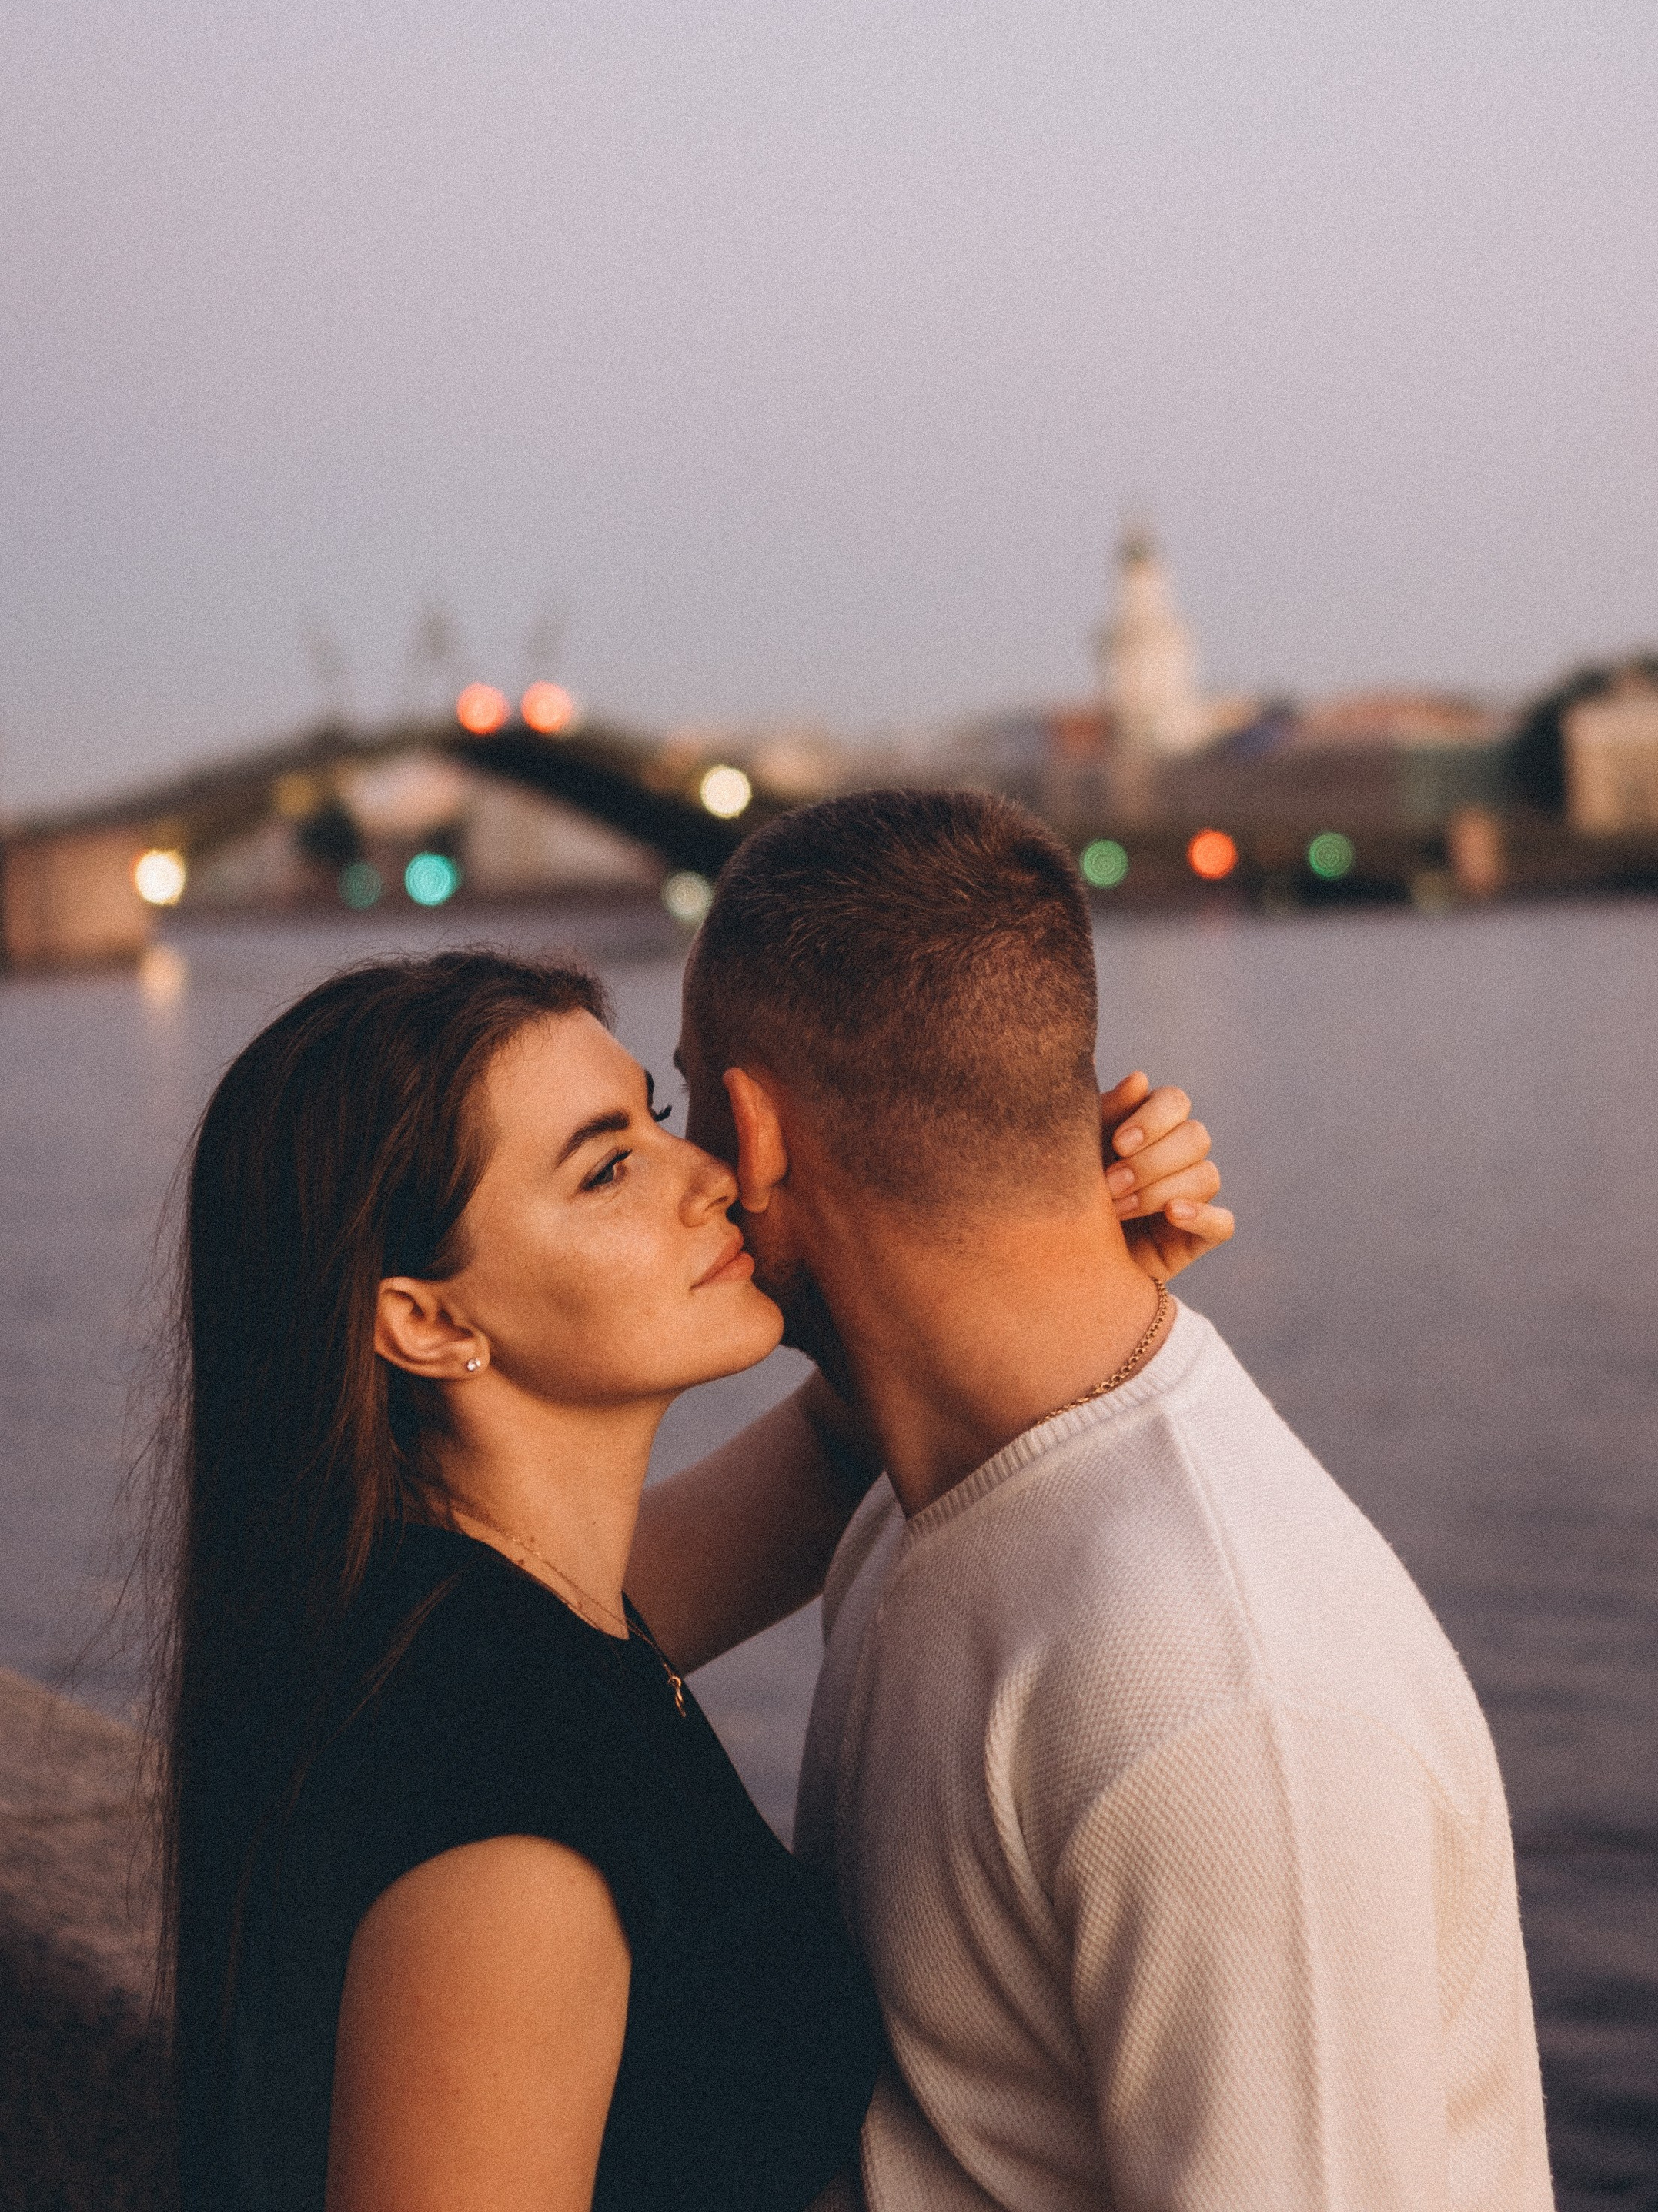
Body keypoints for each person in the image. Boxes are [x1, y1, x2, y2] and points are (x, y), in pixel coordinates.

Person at [163, 947, 1223, 2212]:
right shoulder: (507, 1839)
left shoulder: (477, 1616)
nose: (712, 1174)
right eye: (609, 1165)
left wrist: (1042, 1242)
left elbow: (846, 1436)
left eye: (656, 1122)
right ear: (430, 1323)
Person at [675, 787, 1555, 2212]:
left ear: (759, 1135)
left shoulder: (1224, 1699)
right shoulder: (918, 1503)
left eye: (685, 1101)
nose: (683, 1171)